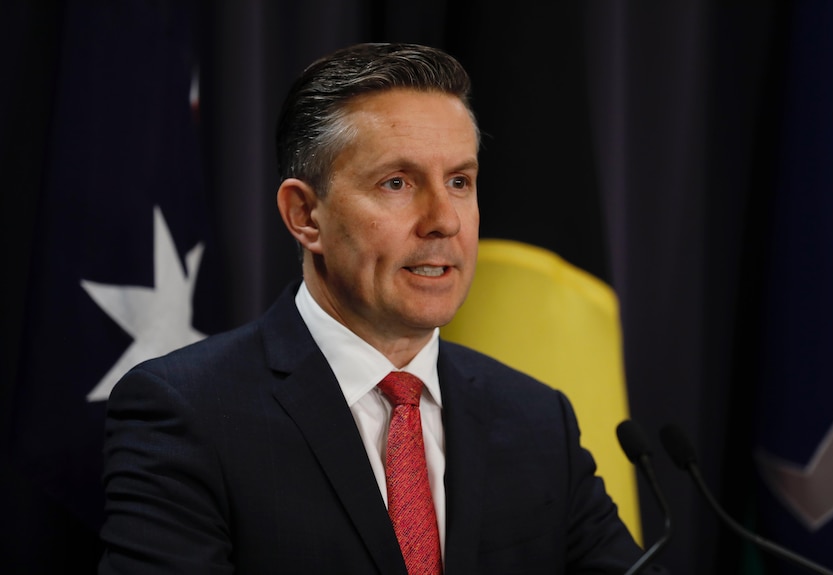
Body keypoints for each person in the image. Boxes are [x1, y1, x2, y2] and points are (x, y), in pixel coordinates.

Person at [98, 42, 667, 574]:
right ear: (305, 216)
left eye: (460, 181)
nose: (444, 219)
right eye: (397, 183)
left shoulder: (538, 420)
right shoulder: (186, 413)